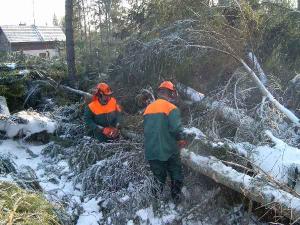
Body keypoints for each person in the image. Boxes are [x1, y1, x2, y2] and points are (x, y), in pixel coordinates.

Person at [143, 81, 187, 202]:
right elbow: (176, 128)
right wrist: (181, 138)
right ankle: (176, 199)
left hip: (151, 150)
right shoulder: (171, 108)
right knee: (176, 173)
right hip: (169, 150)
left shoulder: (148, 108)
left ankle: (154, 203)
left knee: (158, 178)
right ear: (171, 94)